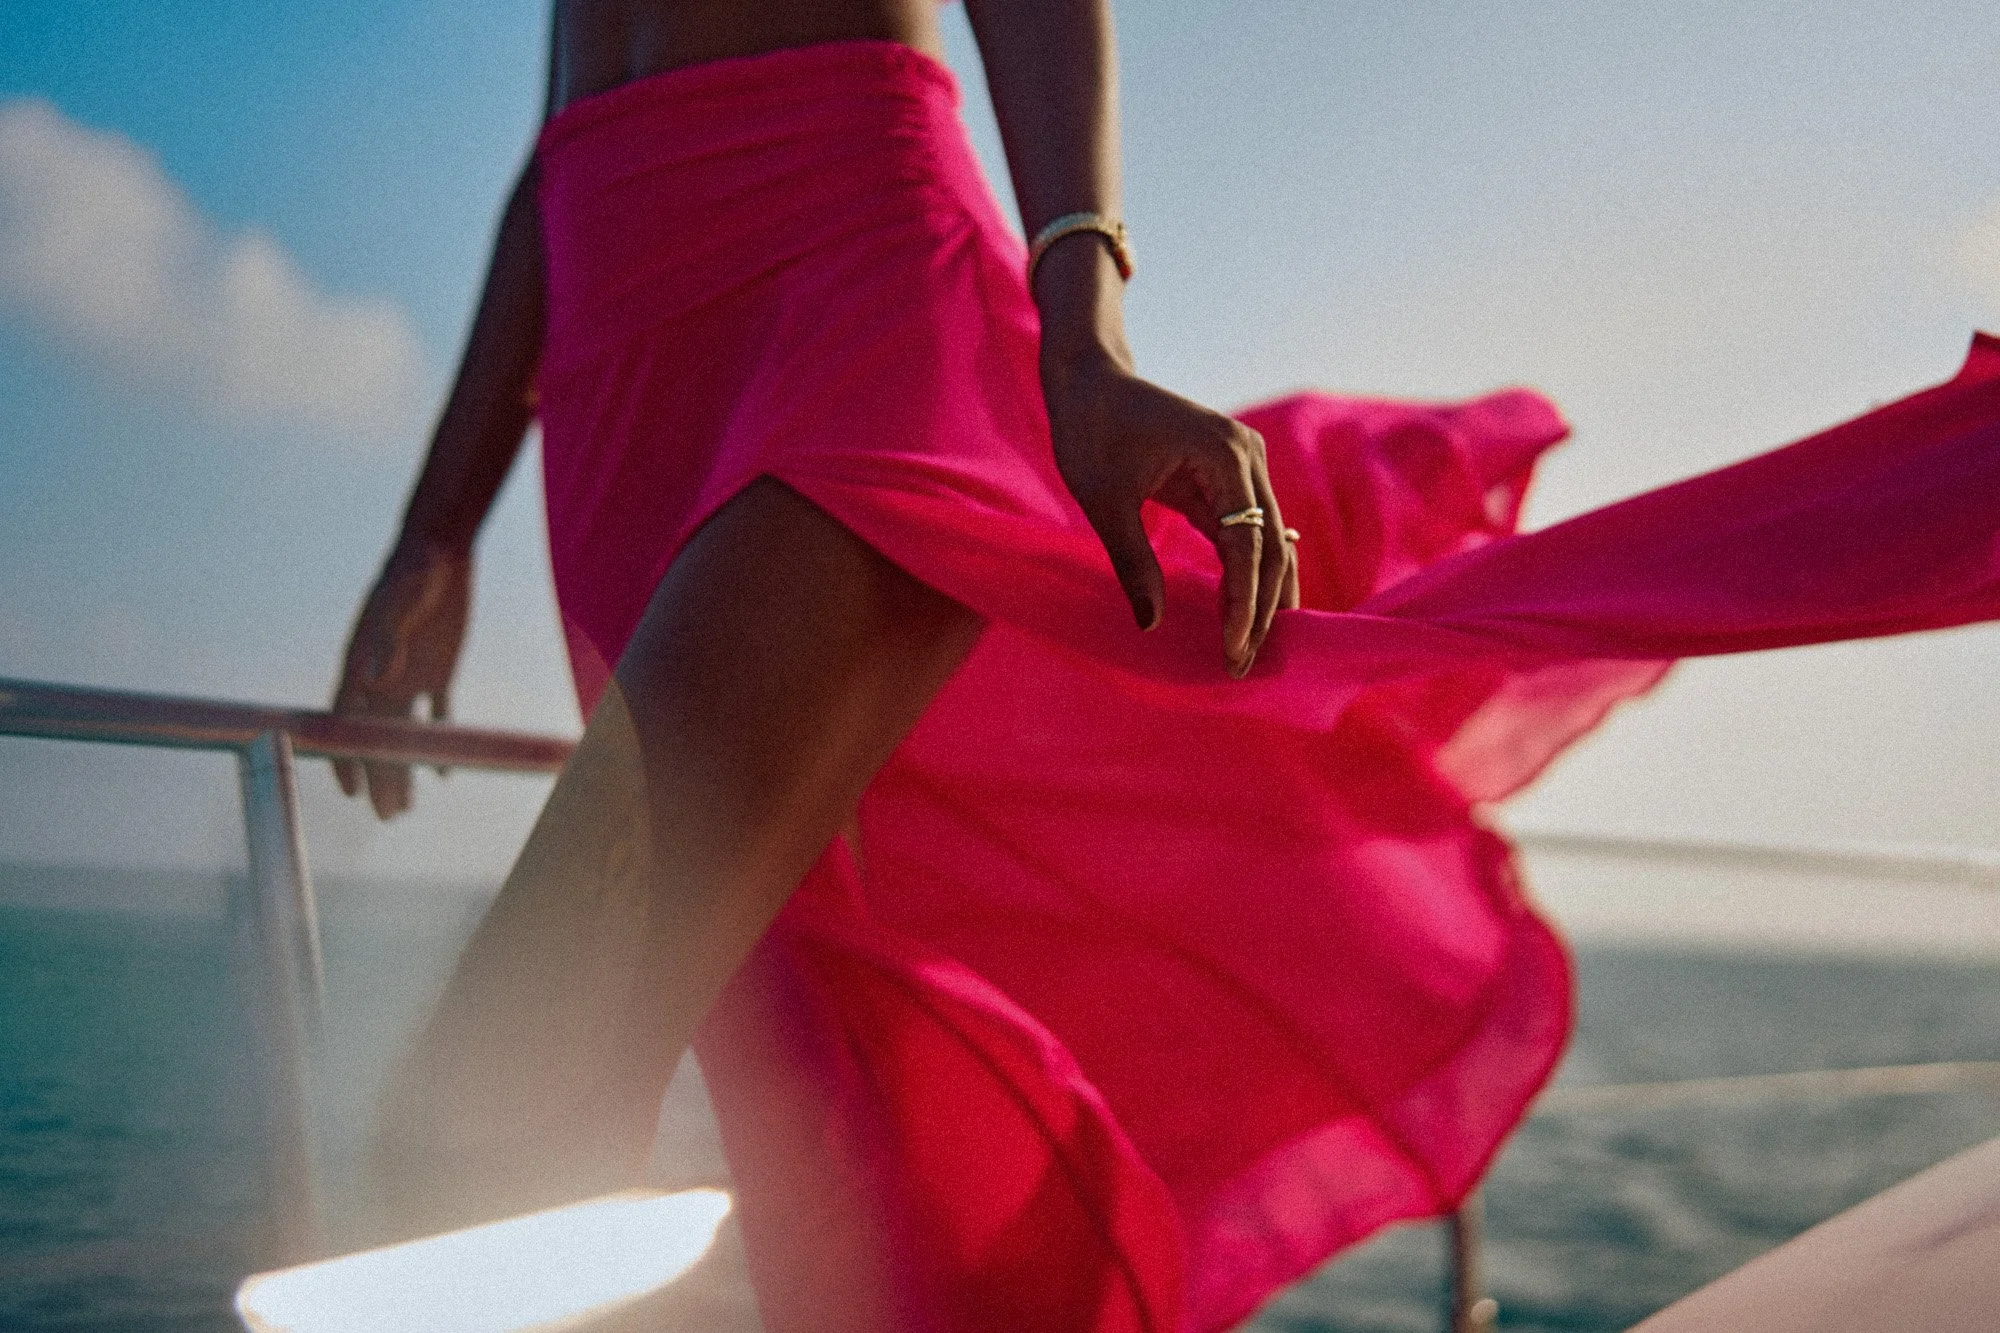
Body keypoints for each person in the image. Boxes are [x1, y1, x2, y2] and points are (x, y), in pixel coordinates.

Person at [332, 1, 2000, 1329]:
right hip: (619, 383)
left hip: (842, 315)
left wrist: (1084, 332)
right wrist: (433, 524)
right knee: (817, 1135)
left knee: (485, 1121)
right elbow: (562, 135)